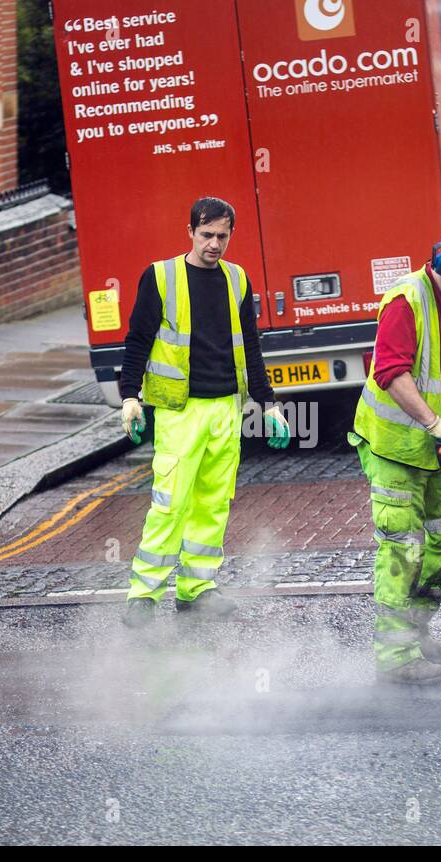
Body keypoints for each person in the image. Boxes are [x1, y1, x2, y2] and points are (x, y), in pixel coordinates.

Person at [118, 196, 290, 626]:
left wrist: (268, 405)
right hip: (180, 410)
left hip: (225, 411)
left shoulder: (237, 279)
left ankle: (197, 588)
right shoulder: (160, 277)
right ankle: (143, 594)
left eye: (222, 236)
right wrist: (129, 396)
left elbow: (251, 345)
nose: (214, 244)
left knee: (212, 503)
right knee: (170, 502)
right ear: (190, 232)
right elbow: (137, 340)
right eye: (207, 235)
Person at [348, 226, 441, 685]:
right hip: (395, 445)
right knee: (402, 550)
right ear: (440, 265)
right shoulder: (405, 302)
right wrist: (434, 422)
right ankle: (394, 659)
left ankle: (413, 628)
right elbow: (391, 372)